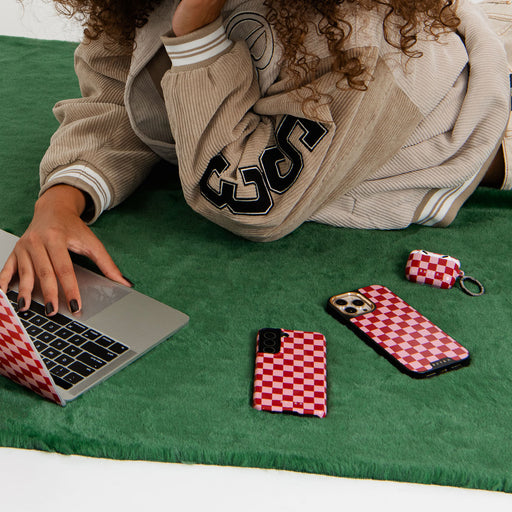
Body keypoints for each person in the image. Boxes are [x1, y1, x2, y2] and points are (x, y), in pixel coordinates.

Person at [0, 0, 510, 316]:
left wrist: (197, 29)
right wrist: (59, 204)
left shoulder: (374, 44)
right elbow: (122, 96)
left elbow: (251, 199)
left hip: (467, 133)